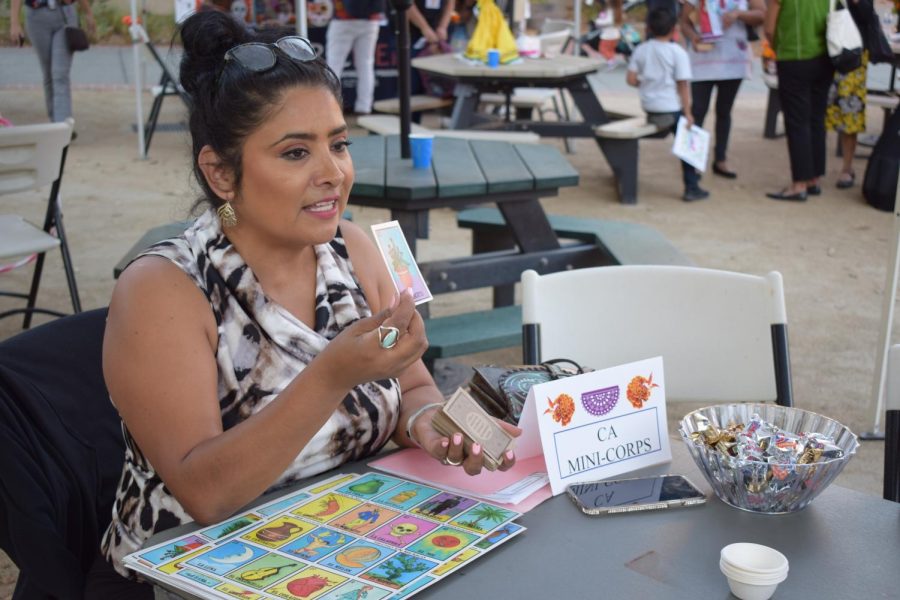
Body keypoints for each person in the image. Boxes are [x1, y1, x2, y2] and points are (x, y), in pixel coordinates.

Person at [89, 10, 518, 596]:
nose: (333, 173)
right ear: (220, 172)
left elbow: (413, 387)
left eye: (339, 144)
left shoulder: (357, 250)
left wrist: (437, 425)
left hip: (349, 542)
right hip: (193, 571)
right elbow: (205, 492)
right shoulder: (165, 289)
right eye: (296, 153)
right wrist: (332, 376)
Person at [627, 7, 708, 202]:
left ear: (649, 28)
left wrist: (645, 83)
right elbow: (683, 85)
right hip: (670, 108)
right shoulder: (677, 52)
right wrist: (688, 113)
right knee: (688, 140)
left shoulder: (641, 49)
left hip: (649, 106)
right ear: (674, 29)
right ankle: (691, 185)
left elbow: (630, 79)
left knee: (680, 131)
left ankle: (693, 181)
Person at [679, 0, 765, 180]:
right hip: (703, 60)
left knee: (724, 111)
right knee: (697, 111)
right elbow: (684, 21)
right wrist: (693, 36)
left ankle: (721, 159)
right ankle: (692, 163)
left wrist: (738, 15)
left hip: (734, 59)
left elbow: (762, 14)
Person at [764, 0, 831, 201]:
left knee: (797, 122)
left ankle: (799, 183)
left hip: (794, 56)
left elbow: (769, 28)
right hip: (825, 57)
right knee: (816, 118)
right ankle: (814, 179)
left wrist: (779, 46)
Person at [9, 0, 96, 125]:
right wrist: (14, 22)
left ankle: (63, 125)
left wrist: (88, 12)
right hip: (37, 16)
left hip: (64, 14)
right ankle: (55, 121)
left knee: (60, 75)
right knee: (49, 73)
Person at [325, 0, 385, 115]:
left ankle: (329, 107)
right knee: (366, 65)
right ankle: (364, 107)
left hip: (343, 19)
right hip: (370, 20)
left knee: (334, 66)